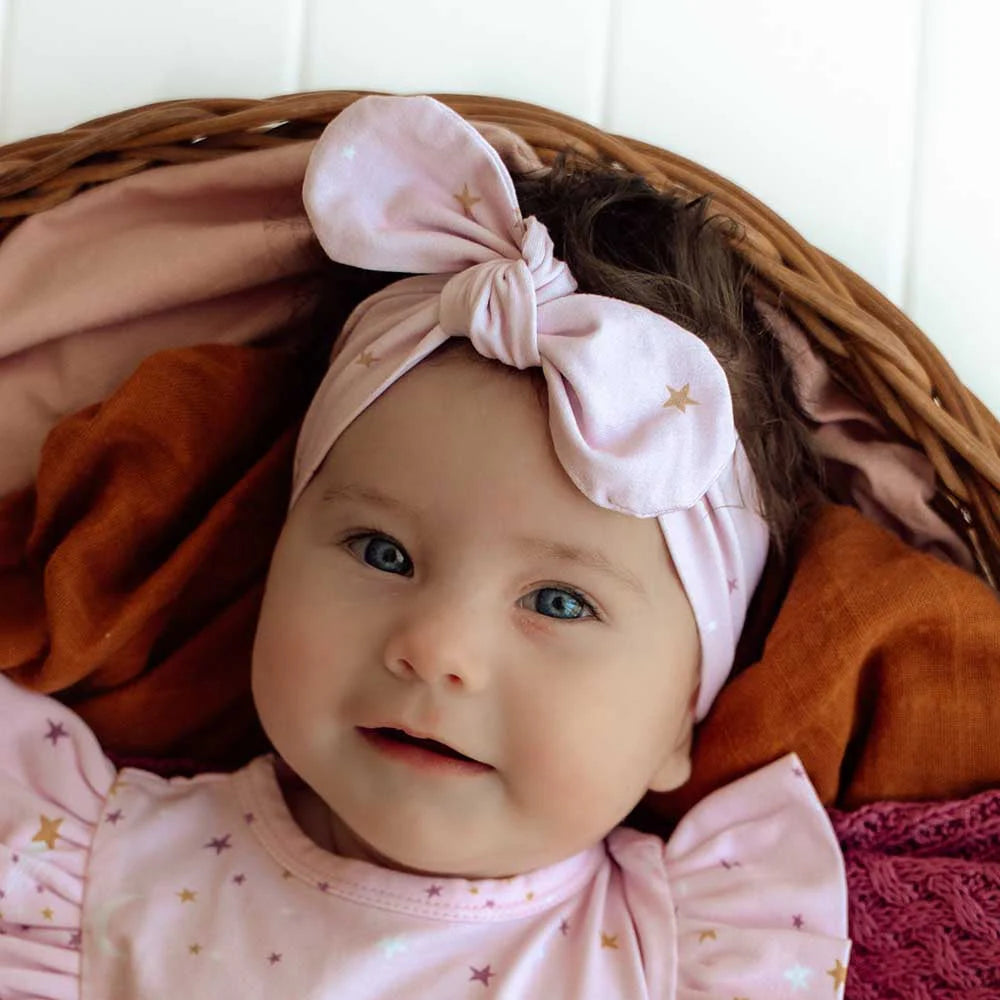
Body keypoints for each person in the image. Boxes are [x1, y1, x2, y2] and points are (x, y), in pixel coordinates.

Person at [0, 95, 850, 998]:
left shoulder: (697, 956)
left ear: (683, 714)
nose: (437, 648)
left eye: (558, 601)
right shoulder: (80, 876)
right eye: (380, 552)